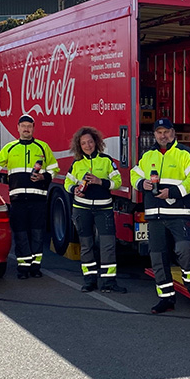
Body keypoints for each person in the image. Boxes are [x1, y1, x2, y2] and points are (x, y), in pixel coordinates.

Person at [0, 114, 59, 279]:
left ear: (33, 128)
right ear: (18, 128)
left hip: (38, 200)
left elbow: (54, 169)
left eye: (29, 126)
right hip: (17, 201)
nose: (26, 129)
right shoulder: (10, 148)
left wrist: (44, 177)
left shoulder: (43, 147)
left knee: (37, 234)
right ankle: (23, 268)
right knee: (21, 234)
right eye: (23, 126)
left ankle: (35, 267)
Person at [131, 118, 190, 314]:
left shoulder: (185, 153)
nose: (163, 135)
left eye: (166, 131)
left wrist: (172, 192)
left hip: (178, 213)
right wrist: (141, 184)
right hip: (154, 215)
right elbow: (134, 174)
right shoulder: (148, 155)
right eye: (159, 132)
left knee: (184, 249)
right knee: (157, 258)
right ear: (154, 134)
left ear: (173, 133)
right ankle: (166, 299)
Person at [64, 126, 127, 294]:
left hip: (103, 209)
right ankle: (89, 281)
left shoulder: (106, 161)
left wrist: (101, 182)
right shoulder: (76, 164)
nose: (87, 145)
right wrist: (74, 189)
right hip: (81, 209)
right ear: (79, 145)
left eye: (90, 142)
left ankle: (109, 282)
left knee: (107, 246)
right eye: (83, 143)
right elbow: (67, 183)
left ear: (96, 142)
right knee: (86, 246)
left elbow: (118, 182)